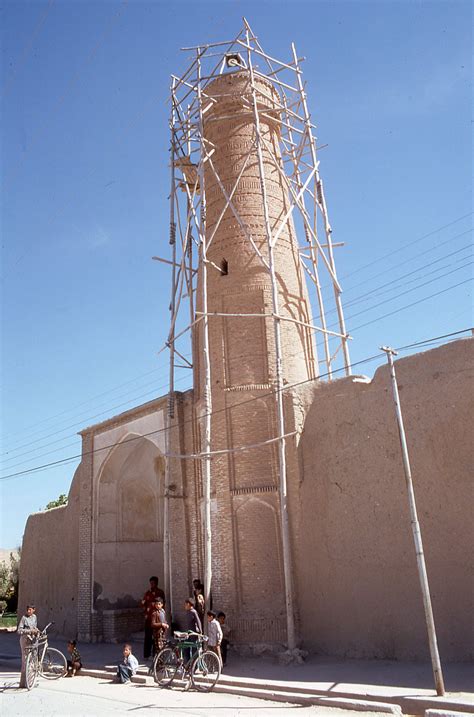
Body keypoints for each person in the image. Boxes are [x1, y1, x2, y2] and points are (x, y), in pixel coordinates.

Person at [141, 576, 165, 660]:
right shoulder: (147, 593)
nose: (152, 585)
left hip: (157, 619)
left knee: (157, 637)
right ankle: (146, 655)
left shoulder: (160, 593)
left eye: (153, 583)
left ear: (156, 583)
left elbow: (163, 604)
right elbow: (143, 603)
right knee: (147, 637)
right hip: (148, 619)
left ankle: (156, 655)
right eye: (151, 583)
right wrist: (145, 613)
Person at [17, 605, 39, 688]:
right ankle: (23, 683)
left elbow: (34, 627)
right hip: (25, 640)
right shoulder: (24, 618)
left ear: (34, 610)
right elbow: (19, 630)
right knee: (25, 661)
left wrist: (36, 630)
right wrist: (29, 631)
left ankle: (29, 682)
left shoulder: (34, 617)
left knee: (31, 661)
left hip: (32, 640)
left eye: (30, 610)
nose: (28, 611)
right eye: (27, 610)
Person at [182, 598, 202, 662]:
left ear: (189, 604)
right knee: (186, 648)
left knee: (194, 650)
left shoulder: (194, 612)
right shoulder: (187, 612)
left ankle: (194, 665)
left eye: (185, 604)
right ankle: (187, 664)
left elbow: (198, 622)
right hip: (188, 633)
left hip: (193, 634)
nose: (184, 605)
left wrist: (200, 632)